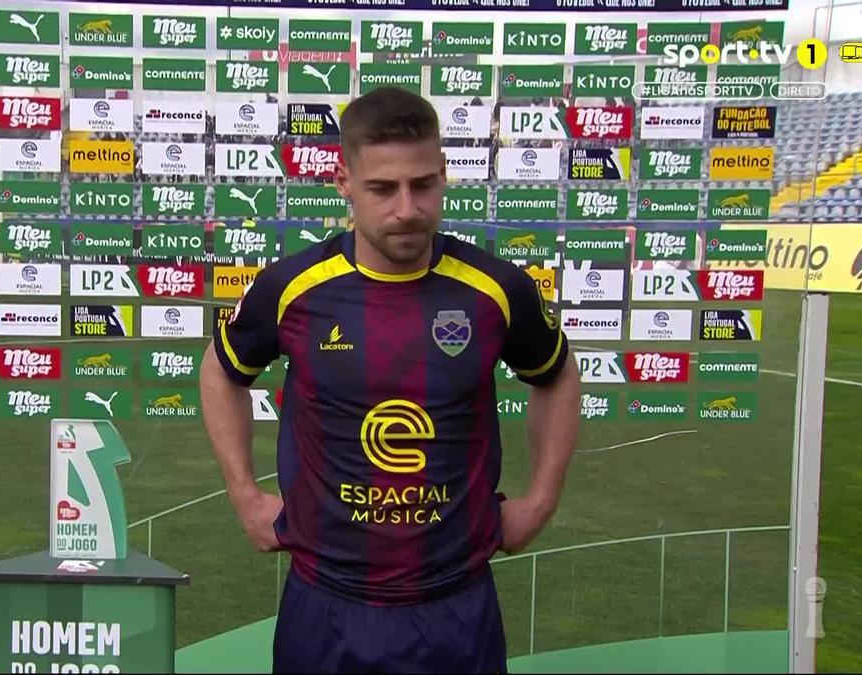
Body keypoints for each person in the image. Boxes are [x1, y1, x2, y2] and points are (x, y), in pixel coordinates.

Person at [199, 86, 580, 674]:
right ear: (344, 184)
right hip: (327, 606)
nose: (406, 208)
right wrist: (245, 495)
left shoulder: (495, 290)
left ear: (445, 176)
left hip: (456, 606)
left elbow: (555, 375)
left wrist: (543, 498)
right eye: (382, 188)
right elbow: (223, 371)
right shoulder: (294, 288)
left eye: (422, 184)